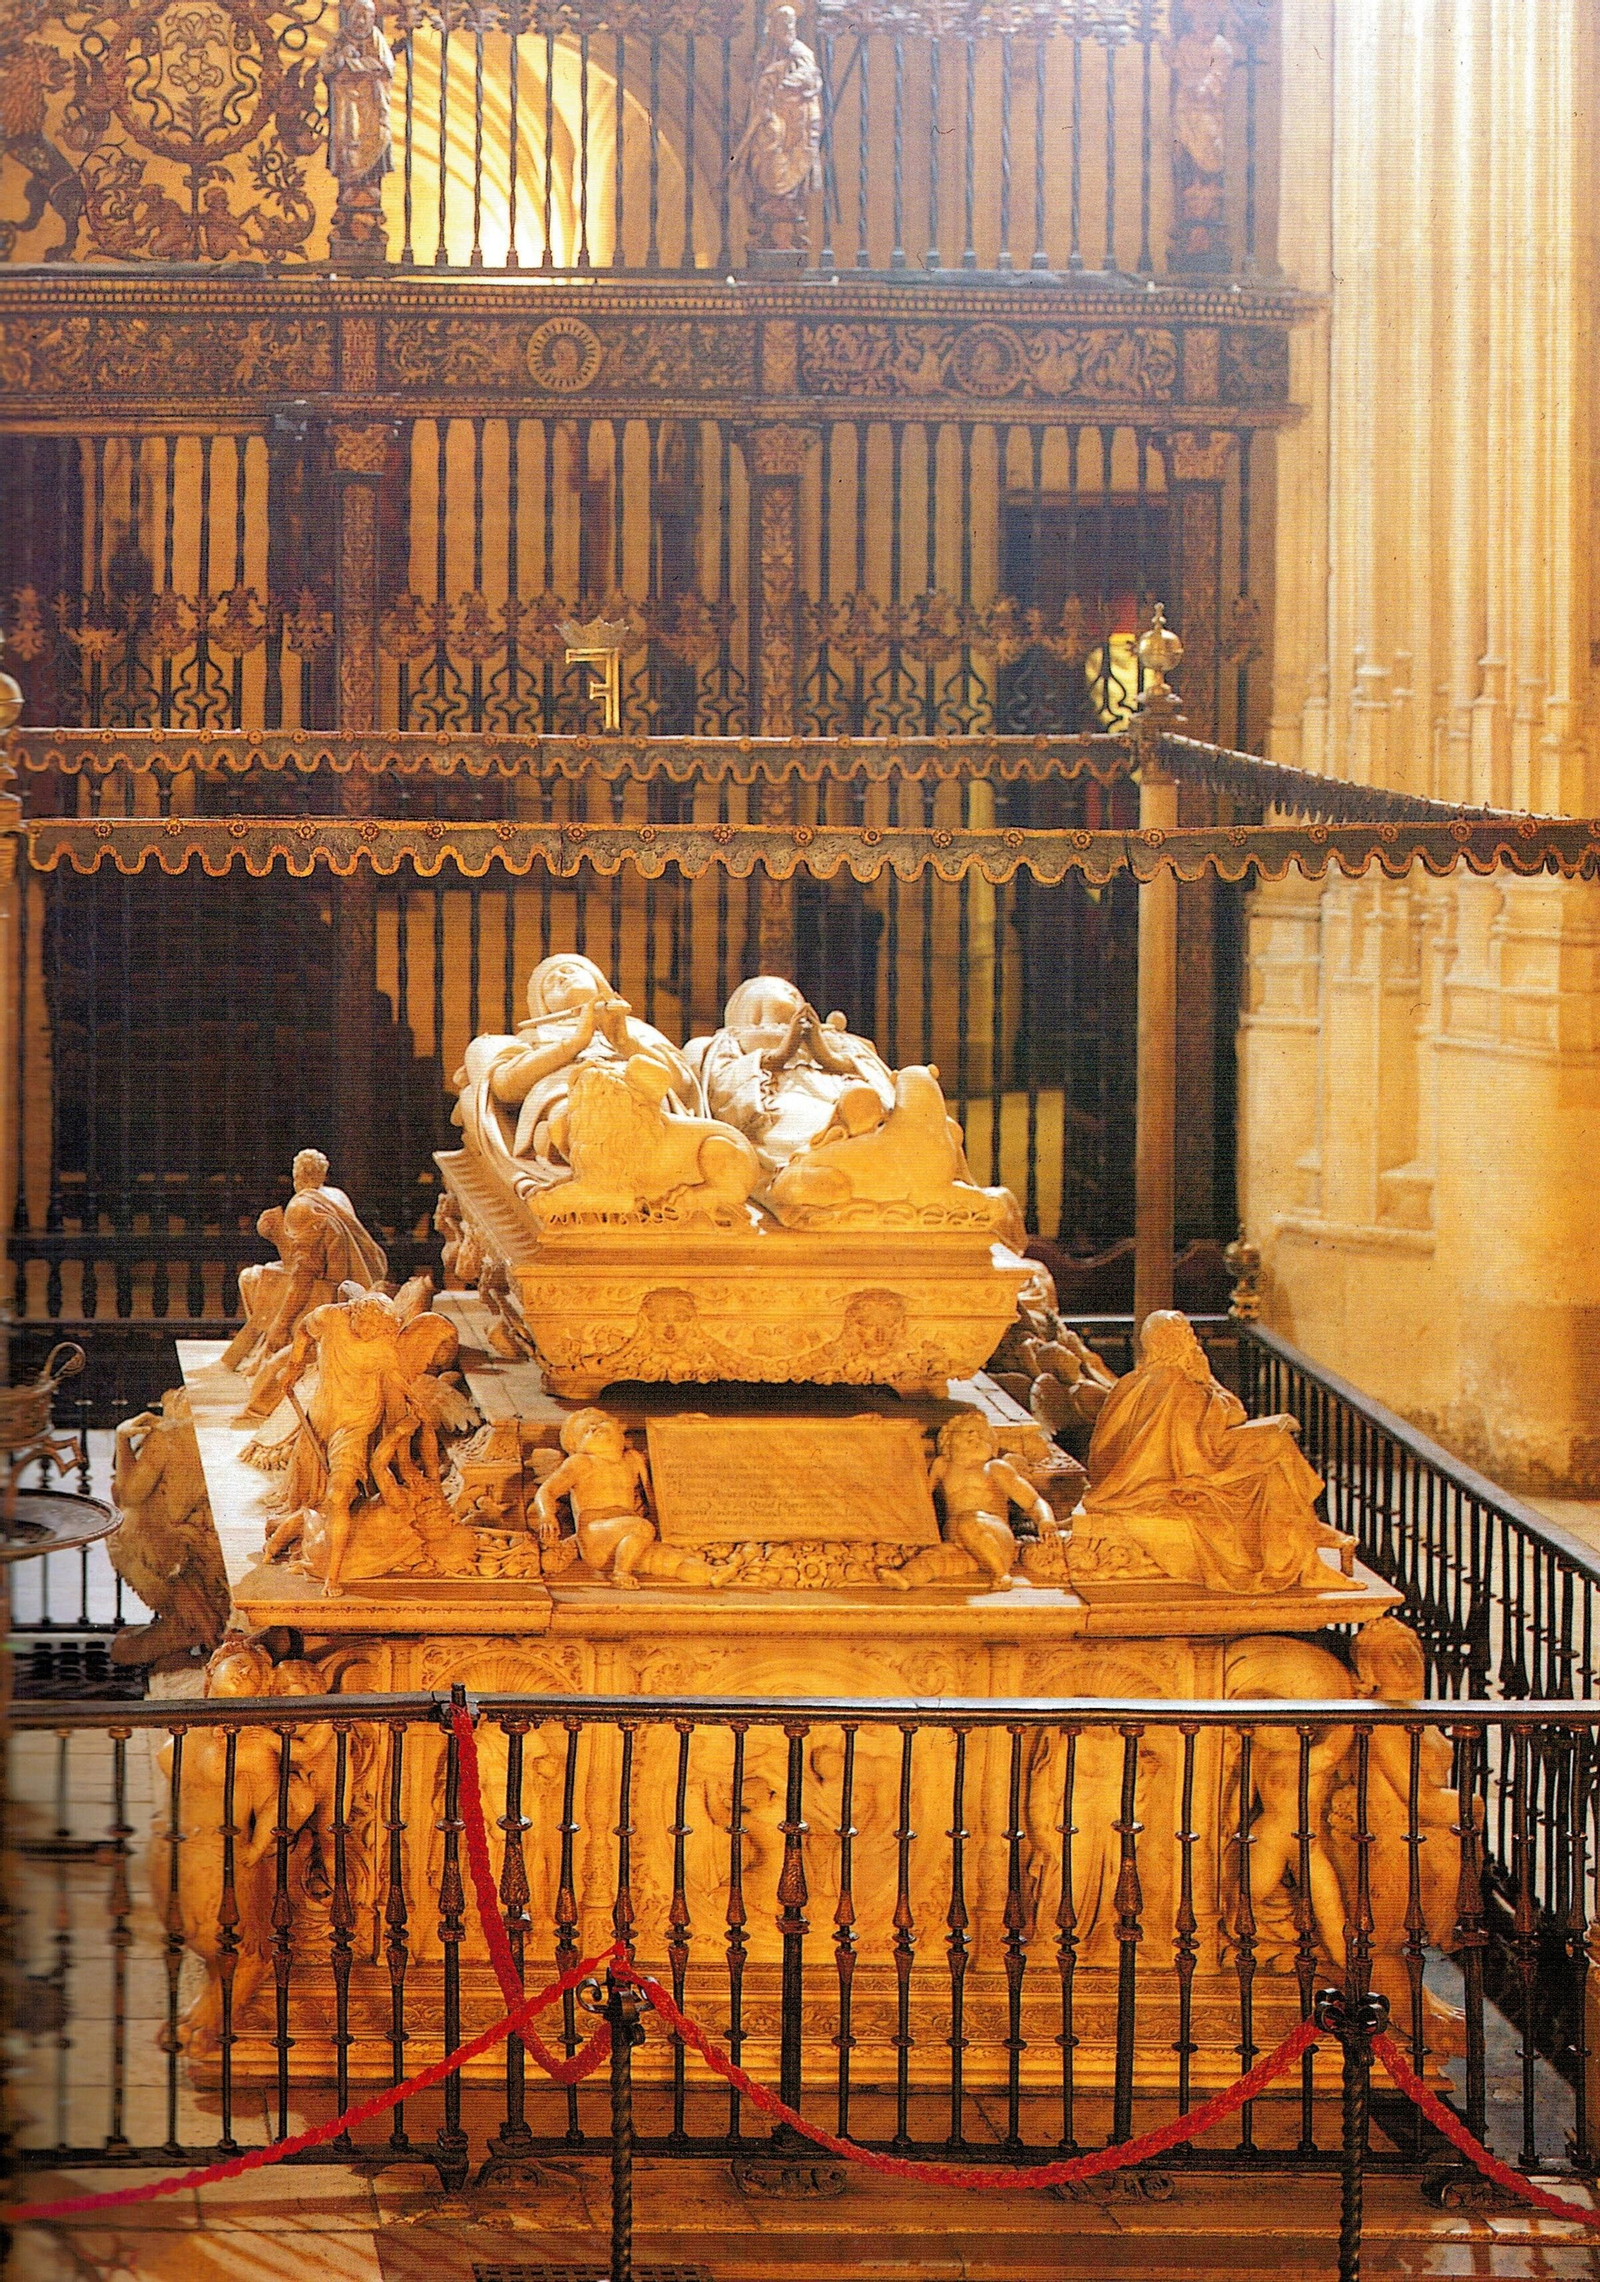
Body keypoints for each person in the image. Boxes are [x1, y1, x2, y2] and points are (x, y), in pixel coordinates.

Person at [1080, 1310, 1360, 1594]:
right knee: (1275, 1451)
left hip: (1153, 1475)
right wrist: (1208, 1380)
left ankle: (1313, 1549)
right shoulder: (1181, 1384)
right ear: (1175, 1341)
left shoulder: (1131, 1382)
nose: (1194, 1339)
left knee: (1274, 1452)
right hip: (1179, 1477)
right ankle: (1311, 1555)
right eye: (1187, 1334)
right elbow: (1216, 1435)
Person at [453, 953, 699, 1203]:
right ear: (543, 1005)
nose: (560, 977)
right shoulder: (532, 1037)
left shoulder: (637, 1029)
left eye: (570, 971)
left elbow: (683, 1084)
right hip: (571, 1102)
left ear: (597, 982)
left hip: (646, 1103)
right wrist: (573, 1044)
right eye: (549, 983)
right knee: (581, 1114)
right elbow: (505, 1086)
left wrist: (625, 1042)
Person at [224, 1148, 388, 1422]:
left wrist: (282, 1323)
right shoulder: (336, 1195)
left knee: (252, 1278)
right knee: (264, 1274)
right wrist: (278, 1235)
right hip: (356, 1284)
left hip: (332, 1293)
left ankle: (265, 1350)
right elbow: (309, 1257)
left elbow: (303, 1276)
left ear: (296, 1175)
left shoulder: (301, 1207)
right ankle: (256, 1352)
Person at [531, 1408, 715, 1590]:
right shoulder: (582, 1463)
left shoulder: (633, 1459)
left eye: (599, 1422)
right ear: (577, 1449)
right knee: (641, 1527)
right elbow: (547, 1491)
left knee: (670, 1559)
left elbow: (664, 1461)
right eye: (585, 1431)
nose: (594, 1428)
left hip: (628, 1541)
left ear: (620, 1429)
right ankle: (620, 1573)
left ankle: (712, 1574)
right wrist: (546, 1514)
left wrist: (683, 1428)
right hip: (596, 1535)